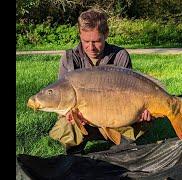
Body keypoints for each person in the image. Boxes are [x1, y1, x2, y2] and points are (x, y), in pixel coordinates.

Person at [49, 8, 152, 154]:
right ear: (80, 35)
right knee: (67, 125)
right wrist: (69, 114)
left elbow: (129, 96)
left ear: (106, 34)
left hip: (113, 115)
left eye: (96, 41)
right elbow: (62, 98)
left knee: (136, 120)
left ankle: (121, 148)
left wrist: (140, 111)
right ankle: (75, 152)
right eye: (86, 41)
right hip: (82, 118)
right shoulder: (69, 58)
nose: (91, 47)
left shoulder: (120, 56)